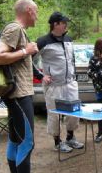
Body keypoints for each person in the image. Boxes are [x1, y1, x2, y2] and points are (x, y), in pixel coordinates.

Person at [0, 0, 52, 173]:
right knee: (26, 143)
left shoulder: (17, 31)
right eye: (36, 11)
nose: (37, 15)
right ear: (28, 10)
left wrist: (29, 54)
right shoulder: (15, 28)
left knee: (16, 141)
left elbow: (13, 60)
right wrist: (26, 51)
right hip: (19, 95)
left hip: (15, 95)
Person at [35, 12, 84, 153]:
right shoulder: (43, 41)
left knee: (74, 111)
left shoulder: (68, 39)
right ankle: (57, 142)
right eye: (63, 23)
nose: (66, 25)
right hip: (54, 85)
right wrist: (40, 75)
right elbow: (28, 59)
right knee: (54, 114)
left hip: (70, 83)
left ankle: (70, 137)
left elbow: (71, 59)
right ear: (55, 24)